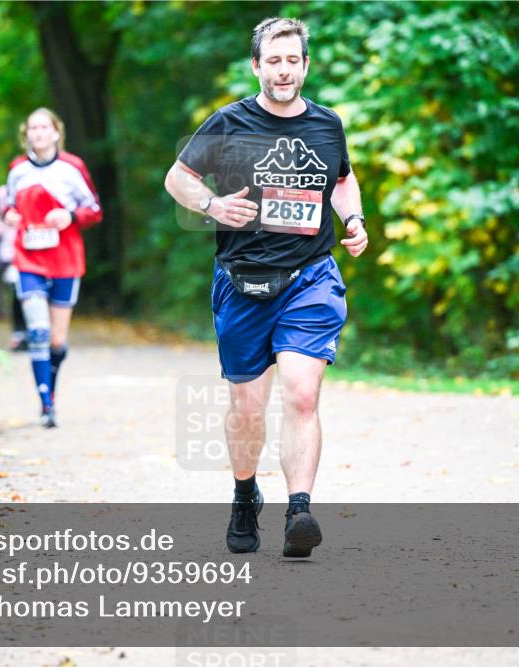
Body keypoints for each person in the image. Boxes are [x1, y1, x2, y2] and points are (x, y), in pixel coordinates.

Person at [164, 17, 368, 557]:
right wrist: (211, 204)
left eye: (292, 60)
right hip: (242, 284)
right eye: (273, 61)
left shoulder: (327, 125)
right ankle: (242, 495)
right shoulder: (229, 122)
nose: (284, 70)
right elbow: (177, 178)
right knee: (248, 408)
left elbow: (343, 180)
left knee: (302, 394)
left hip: (310, 277)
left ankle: (299, 510)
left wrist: (354, 221)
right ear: (257, 66)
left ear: (305, 65)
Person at [5, 107, 102, 428]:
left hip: (65, 259)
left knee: (57, 340)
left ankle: (52, 384)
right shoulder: (18, 169)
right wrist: (10, 215)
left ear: (56, 132)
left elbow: (94, 209)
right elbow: (8, 203)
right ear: (27, 134)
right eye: (33, 128)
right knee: (37, 331)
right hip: (28, 258)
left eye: (45, 127)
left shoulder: (72, 167)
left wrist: (71, 216)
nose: (39, 133)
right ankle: (45, 403)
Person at [0, 185, 27, 350]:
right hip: (7, 250)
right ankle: (18, 333)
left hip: (27, 249)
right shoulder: (2, 192)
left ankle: (27, 333)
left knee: (24, 292)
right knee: (13, 290)